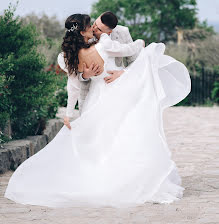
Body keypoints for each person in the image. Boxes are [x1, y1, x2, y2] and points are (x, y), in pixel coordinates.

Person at [4, 13, 191, 208]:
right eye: (92, 26)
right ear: (84, 29)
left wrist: (123, 73)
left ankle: (125, 176)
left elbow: (132, 57)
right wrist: (86, 75)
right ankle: (110, 178)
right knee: (104, 139)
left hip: (119, 93)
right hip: (100, 97)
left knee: (122, 135)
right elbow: (76, 83)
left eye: (98, 27)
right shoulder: (85, 50)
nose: (94, 30)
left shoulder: (104, 41)